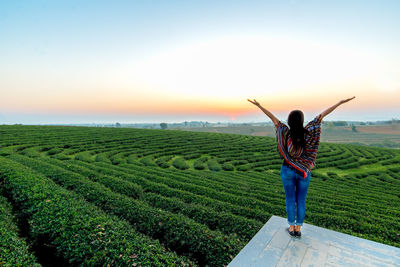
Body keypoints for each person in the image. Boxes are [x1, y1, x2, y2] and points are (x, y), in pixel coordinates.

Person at [247, 96, 355, 238]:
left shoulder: (284, 131)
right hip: (304, 171)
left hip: (287, 170)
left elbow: (272, 118)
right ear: (302, 121)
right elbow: (322, 115)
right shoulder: (310, 131)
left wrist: (259, 106)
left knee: (290, 199)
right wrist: (340, 103)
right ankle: (298, 228)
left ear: (290, 121)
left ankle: (291, 227)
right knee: (301, 200)